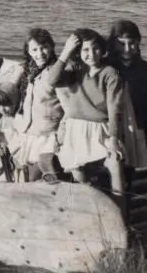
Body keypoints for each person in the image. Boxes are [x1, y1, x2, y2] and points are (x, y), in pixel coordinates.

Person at [50, 29, 124, 192]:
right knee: (78, 170)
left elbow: (114, 108)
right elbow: (52, 80)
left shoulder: (109, 73)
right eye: (85, 50)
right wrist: (66, 52)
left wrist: (113, 138)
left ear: (102, 50)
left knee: (112, 164)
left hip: (100, 128)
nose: (91, 53)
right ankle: (89, 202)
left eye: (95, 48)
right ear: (78, 52)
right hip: (75, 128)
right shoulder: (75, 70)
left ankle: (120, 206)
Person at [11, 28, 65, 182]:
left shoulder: (57, 73)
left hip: (48, 134)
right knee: (25, 174)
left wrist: (61, 134)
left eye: (44, 47)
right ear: (28, 51)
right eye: (34, 49)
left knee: (43, 176)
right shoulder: (29, 72)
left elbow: (67, 107)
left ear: (52, 47)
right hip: (30, 132)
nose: (39, 53)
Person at [108, 19, 147, 166]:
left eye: (132, 43)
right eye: (122, 44)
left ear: (138, 42)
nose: (127, 49)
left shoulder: (145, 68)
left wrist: (146, 135)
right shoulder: (107, 67)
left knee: (130, 165)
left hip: (135, 125)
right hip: (110, 126)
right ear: (113, 43)